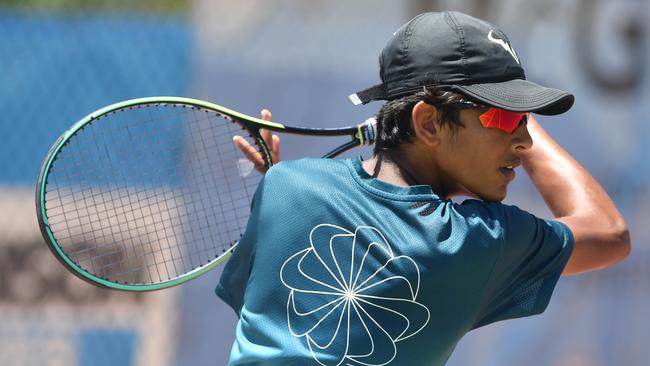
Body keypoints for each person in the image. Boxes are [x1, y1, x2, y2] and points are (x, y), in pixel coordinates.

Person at [217, 11, 630, 365]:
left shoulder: (285, 187)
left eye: (524, 119)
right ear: (429, 122)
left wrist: (280, 188)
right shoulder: (473, 240)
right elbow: (609, 232)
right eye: (504, 117)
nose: (524, 140)